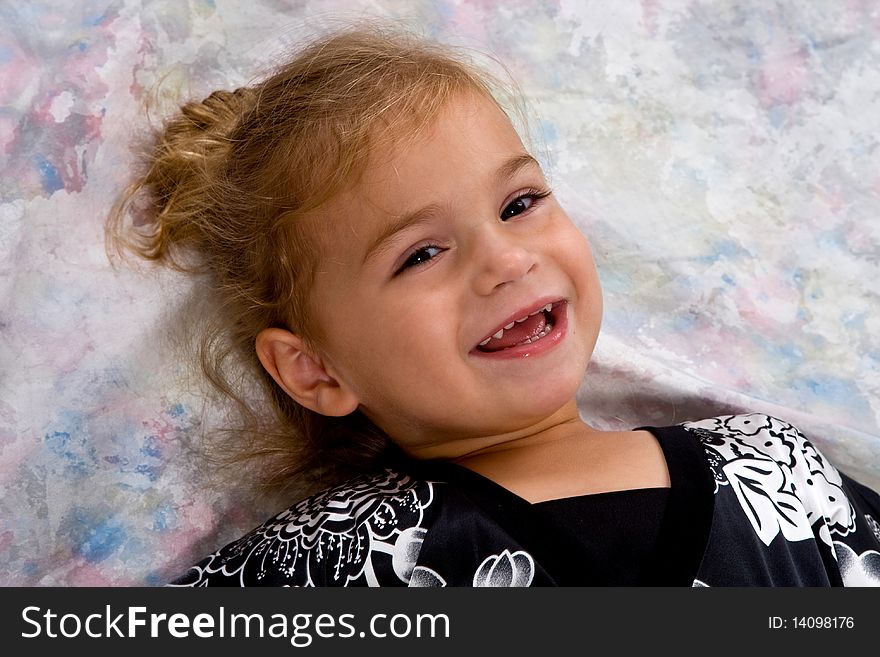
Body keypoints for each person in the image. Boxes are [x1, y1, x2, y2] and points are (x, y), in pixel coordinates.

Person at [109, 24, 880, 587]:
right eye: (420, 254)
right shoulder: (333, 557)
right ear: (314, 369)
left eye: (520, 202)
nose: (507, 259)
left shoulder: (773, 465)